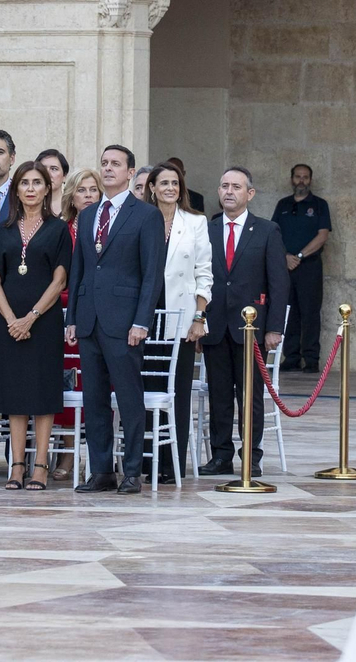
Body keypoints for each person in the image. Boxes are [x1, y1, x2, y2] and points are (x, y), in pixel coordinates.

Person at [65, 145, 166, 495]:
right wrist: (73, 316)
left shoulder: (146, 215)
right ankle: (101, 471)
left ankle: (133, 471)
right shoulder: (89, 214)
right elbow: (79, 268)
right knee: (93, 399)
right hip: (90, 319)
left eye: (115, 164)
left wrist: (142, 321)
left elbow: (152, 274)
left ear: (130, 172)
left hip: (125, 323)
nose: (107, 169)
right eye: (104, 163)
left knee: (128, 398)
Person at [0, 161, 71, 490]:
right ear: (16, 189)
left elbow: (60, 278)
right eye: (25, 183)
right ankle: (17, 465)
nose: (31, 188)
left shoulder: (58, 229)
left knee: (43, 393)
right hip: (9, 322)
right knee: (15, 393)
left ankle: (40, 465)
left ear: (47, 188)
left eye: (38, 182)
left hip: (44, 321)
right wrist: (11, 319)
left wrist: (31, 317)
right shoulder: (4, 228)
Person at [201, 166, 287, 477]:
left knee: (250, 396)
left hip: (252, 330)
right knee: (219, 396)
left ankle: (251, 456)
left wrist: (275, 327)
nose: (229, 192)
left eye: (236, 187)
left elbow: (278, 282)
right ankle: (221, 456)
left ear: (249, 193)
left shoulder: (267, 230)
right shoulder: (207, 230)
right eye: (224, 185)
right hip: (215, 325)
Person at [150, 161, 211, 481]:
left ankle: (171, 464)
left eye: (175, 183)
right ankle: (146, 463)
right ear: (152, 188)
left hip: (182, 317)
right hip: (145, 316)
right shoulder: (142, 219)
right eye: (164, 183)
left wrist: (199, 317)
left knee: (176, 391)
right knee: (145, 388)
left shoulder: (196, 222)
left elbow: (204, 273)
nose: (170, 188)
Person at [54, 167, 104, 480]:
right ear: (71, 195)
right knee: (64, 387)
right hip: (59, 314)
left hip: (93, 315)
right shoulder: (62, 229)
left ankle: (84, 457)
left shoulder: (107, 226)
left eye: (93, 190)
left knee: (90, 388)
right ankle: (64, 452)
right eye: (81, 190)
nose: (87, 195)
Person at [271, 163, 332, 373]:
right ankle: (291, 357)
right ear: (291, 179)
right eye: (298, 177)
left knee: (310, 312)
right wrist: (285, 257)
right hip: (285, 267)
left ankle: (311, 358)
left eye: (305, 177)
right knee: (289, 312)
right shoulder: (283, 204)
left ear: (310, 180)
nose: (301, 181)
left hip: (309, 267)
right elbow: (274, 235)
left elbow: (322, 235)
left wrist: (298, 256)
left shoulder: (320, 204)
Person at [37, 149, 69, 216]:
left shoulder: (72, 205)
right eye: (43, 168)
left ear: (64, 176)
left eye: (54, 169)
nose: (48, 174)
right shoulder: (28, 205)